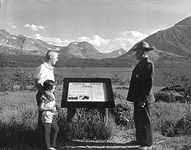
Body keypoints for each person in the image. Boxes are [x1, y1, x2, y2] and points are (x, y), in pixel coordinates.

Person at [127, 41, 155, 150]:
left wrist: (143, 99)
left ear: (143, 52)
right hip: (138, 97)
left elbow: (148, 84)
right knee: (138, 118)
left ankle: (148, 144)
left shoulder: (148, 64)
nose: (136, 54)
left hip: (143, 98)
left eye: (137, 52)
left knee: (145, 120)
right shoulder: (141, 63)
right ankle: (140, 140)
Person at [35, 50, 59, 147]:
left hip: (49, 96)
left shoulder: (49, 68)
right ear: (50, 57)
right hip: (44, 96)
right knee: (43, 120)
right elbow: (37, 83)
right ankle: (43, 144)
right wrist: (46, 93)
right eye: (56, 57)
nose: (57, 60)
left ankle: (49, 144)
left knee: (50, 120)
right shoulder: (42, 68)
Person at [40, 80, 61, 150]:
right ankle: (48, 146)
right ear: (49, 88)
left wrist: (57, 106)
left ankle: (53, 144)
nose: (54, 89)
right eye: (53, 88)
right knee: (47, 132)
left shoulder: (52, 95)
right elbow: (41, 107)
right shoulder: (44, 96)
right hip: (47, 115)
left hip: (53, 116)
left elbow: (53, 103)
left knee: (56, 129)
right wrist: (49, 108)